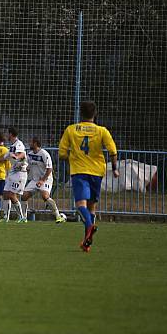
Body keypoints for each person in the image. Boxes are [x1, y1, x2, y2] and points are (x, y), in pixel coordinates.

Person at [59, 101, 118, 252]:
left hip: (79, 171)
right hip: (97, 172)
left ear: (80, 113)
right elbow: (112, 151)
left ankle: (90, 226)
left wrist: (72, 158)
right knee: (92, 207)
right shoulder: (102, 131)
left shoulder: (71, 130)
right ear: (95, 114)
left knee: (80, 206)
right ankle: (87, 243)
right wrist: (115, 168)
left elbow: (62, 153)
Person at [22, 137, 66, 223]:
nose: (29, 144)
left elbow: (49, 169)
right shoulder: (30, 154)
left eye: (30, 142)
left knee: (45, 196)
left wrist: (42, 180)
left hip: (46, 179)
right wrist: (23, 168)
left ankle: (58, 216)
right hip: (35, 180)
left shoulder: (44, 154)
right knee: (24, 196)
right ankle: (23, 217)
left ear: (35, 143)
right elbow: (27, 165)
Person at [2, 127, 28, 222]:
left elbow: (23, 154)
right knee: (5, 193)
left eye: (7, 134)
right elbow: (5, 157)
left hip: (20, 173)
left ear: (11, 134)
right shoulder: (12, 146)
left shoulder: (19, 144)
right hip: (12, 173)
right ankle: (6, 217)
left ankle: (22, 217)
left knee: (12, 195)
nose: (6, 136)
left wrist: (16, 157)